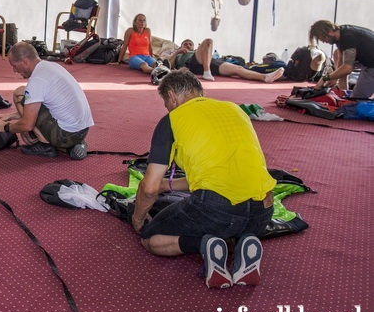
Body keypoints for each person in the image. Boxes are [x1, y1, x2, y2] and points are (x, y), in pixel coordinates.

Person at [132, 69, 275, 289]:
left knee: (151, 238)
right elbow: (219, 171)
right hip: (263, 211)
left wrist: (138, 219)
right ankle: (243, 241)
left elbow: (149, 188)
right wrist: (167, 186)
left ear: (172, 96)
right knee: (232, 222)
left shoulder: (172, 119)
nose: (168, 108)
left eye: (166, 103)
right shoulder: (234, 109)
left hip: (217, 210)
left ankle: (204, 244)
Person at [0, 42, 93, 160]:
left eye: (14, 66)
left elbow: (27, 124)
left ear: (24, 61)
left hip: (66, 134)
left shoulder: (37, 81)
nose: (14, 70)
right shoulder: (50, 66)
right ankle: (72, 146)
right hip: (82, 130)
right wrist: (10, 116)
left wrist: (5, 127)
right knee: (24, 93)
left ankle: (45, 145)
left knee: (20, 95)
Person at [163, 38, 284, 83]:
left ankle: (265, 77)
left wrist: (203, 49)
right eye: (185, 44)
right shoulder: (178, 53)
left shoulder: (195, 51)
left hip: (210, 62)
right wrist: (178, 51)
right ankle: (206, 72)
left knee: (238, 69)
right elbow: (168, 64)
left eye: (190, 44)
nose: (188, 45)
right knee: (209, 40)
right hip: (192, 64)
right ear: (180, 45)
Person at [309, 20, 374, 99]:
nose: (323, 41)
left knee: (356, 99)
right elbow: (340, 59)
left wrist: (325, 78)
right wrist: (335, 77)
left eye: (323, 38)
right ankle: (343, 92)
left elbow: (347, 69)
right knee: (337, 53)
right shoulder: (341, 32)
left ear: (329, 31)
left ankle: (356, 97)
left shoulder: (348, 38)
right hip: (368, 57)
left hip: (371, 65)